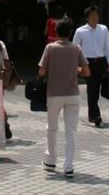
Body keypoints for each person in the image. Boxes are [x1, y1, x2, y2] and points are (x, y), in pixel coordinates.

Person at [38, 17, 90, 178]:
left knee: (51, 129)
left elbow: (41, 72)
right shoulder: (76, 49)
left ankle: (51, 160)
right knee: (71, 132)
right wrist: (75, 70)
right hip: (73, 95)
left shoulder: (49, 48)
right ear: (70, 33)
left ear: (56, 32)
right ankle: (68, 167)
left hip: (54, 94)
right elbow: (87, 72)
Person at [72, 5, 109, 126]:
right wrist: (76, 65)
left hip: (100, 62)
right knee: (92, 87)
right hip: (87, 63)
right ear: (87, 18)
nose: (95, 17)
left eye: (96, 15)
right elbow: (75, 48)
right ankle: (96, 115)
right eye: (92, 15)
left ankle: (92, 114)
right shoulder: (80, 31)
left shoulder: (103, 29)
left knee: (97, 88)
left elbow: (107, 45)